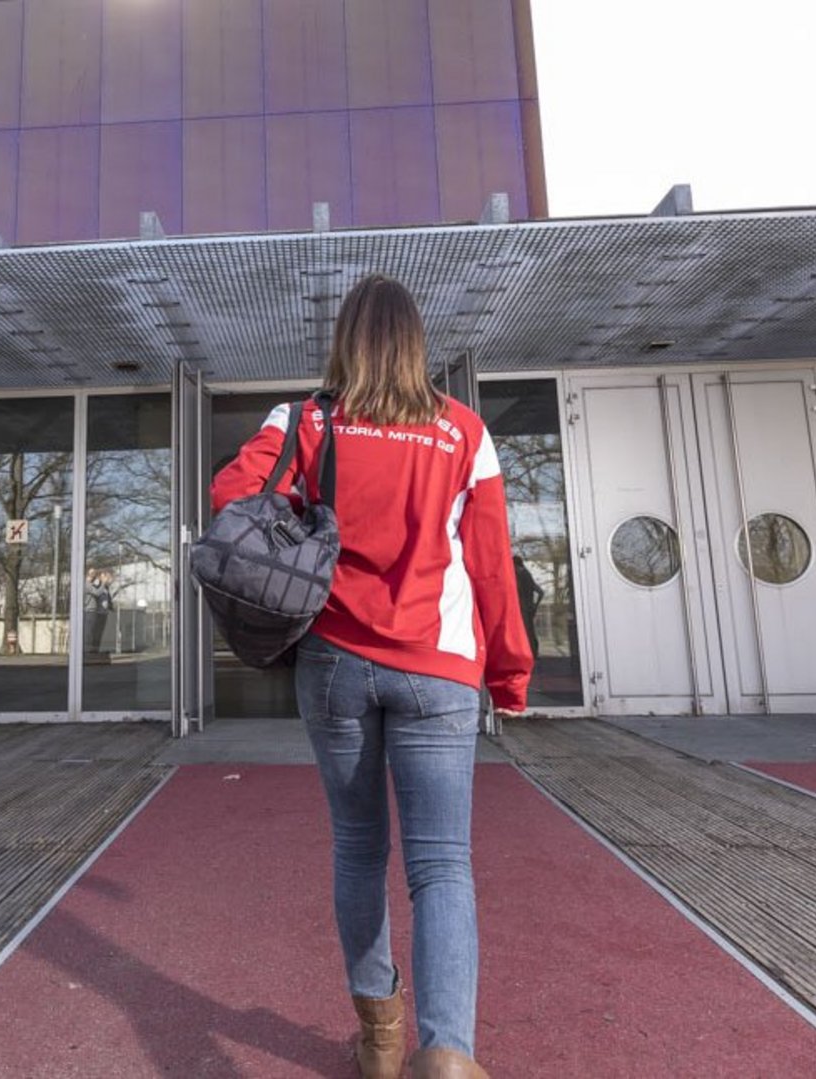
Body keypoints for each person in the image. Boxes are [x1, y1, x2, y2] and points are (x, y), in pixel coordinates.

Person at [211, 274, 532, 1079]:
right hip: (439, 669)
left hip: (334, 664)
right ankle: (448, 1053)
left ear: (346, 339)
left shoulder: (307, 419)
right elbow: (492, 566)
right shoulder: (464, 431)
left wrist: (314, 519)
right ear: (415, 342)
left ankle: (381, 1039)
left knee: (359, 849)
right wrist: (511, 674)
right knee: (441, 865)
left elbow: (230, 496)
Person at [513, 555, 544, 658]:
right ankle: (533, 652)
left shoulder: (521, 575)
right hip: (529, 607)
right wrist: (535, 605)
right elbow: (540, 592)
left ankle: (529, 653)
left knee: (526, 630)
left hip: (524, 608)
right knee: (529, 630)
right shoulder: (527, 575)